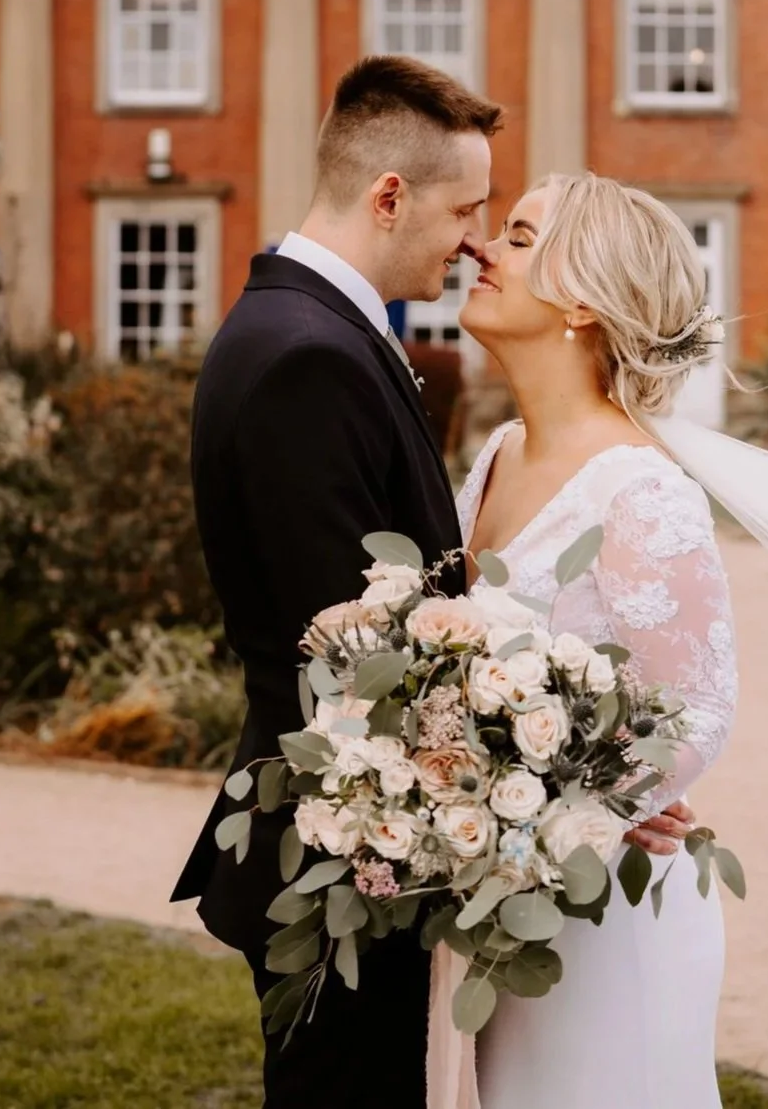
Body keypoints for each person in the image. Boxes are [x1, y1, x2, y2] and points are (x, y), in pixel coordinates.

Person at [170, 62, 692, 1109]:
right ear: (389, 196)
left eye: (500, 225)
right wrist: (565, 784)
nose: (472, 241)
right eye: (465, 211)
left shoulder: (313, 332)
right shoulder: (305, 356)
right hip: (343, 862)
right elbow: (357, 663)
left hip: (375, 850)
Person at [456, 171, 738, 1109]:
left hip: (604, 910)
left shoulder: (639, 490)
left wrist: (569, 816)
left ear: (581, 298)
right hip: (500, 909)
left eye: (520, 235)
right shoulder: (497, 453)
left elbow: (696, 710)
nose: (483, 248)